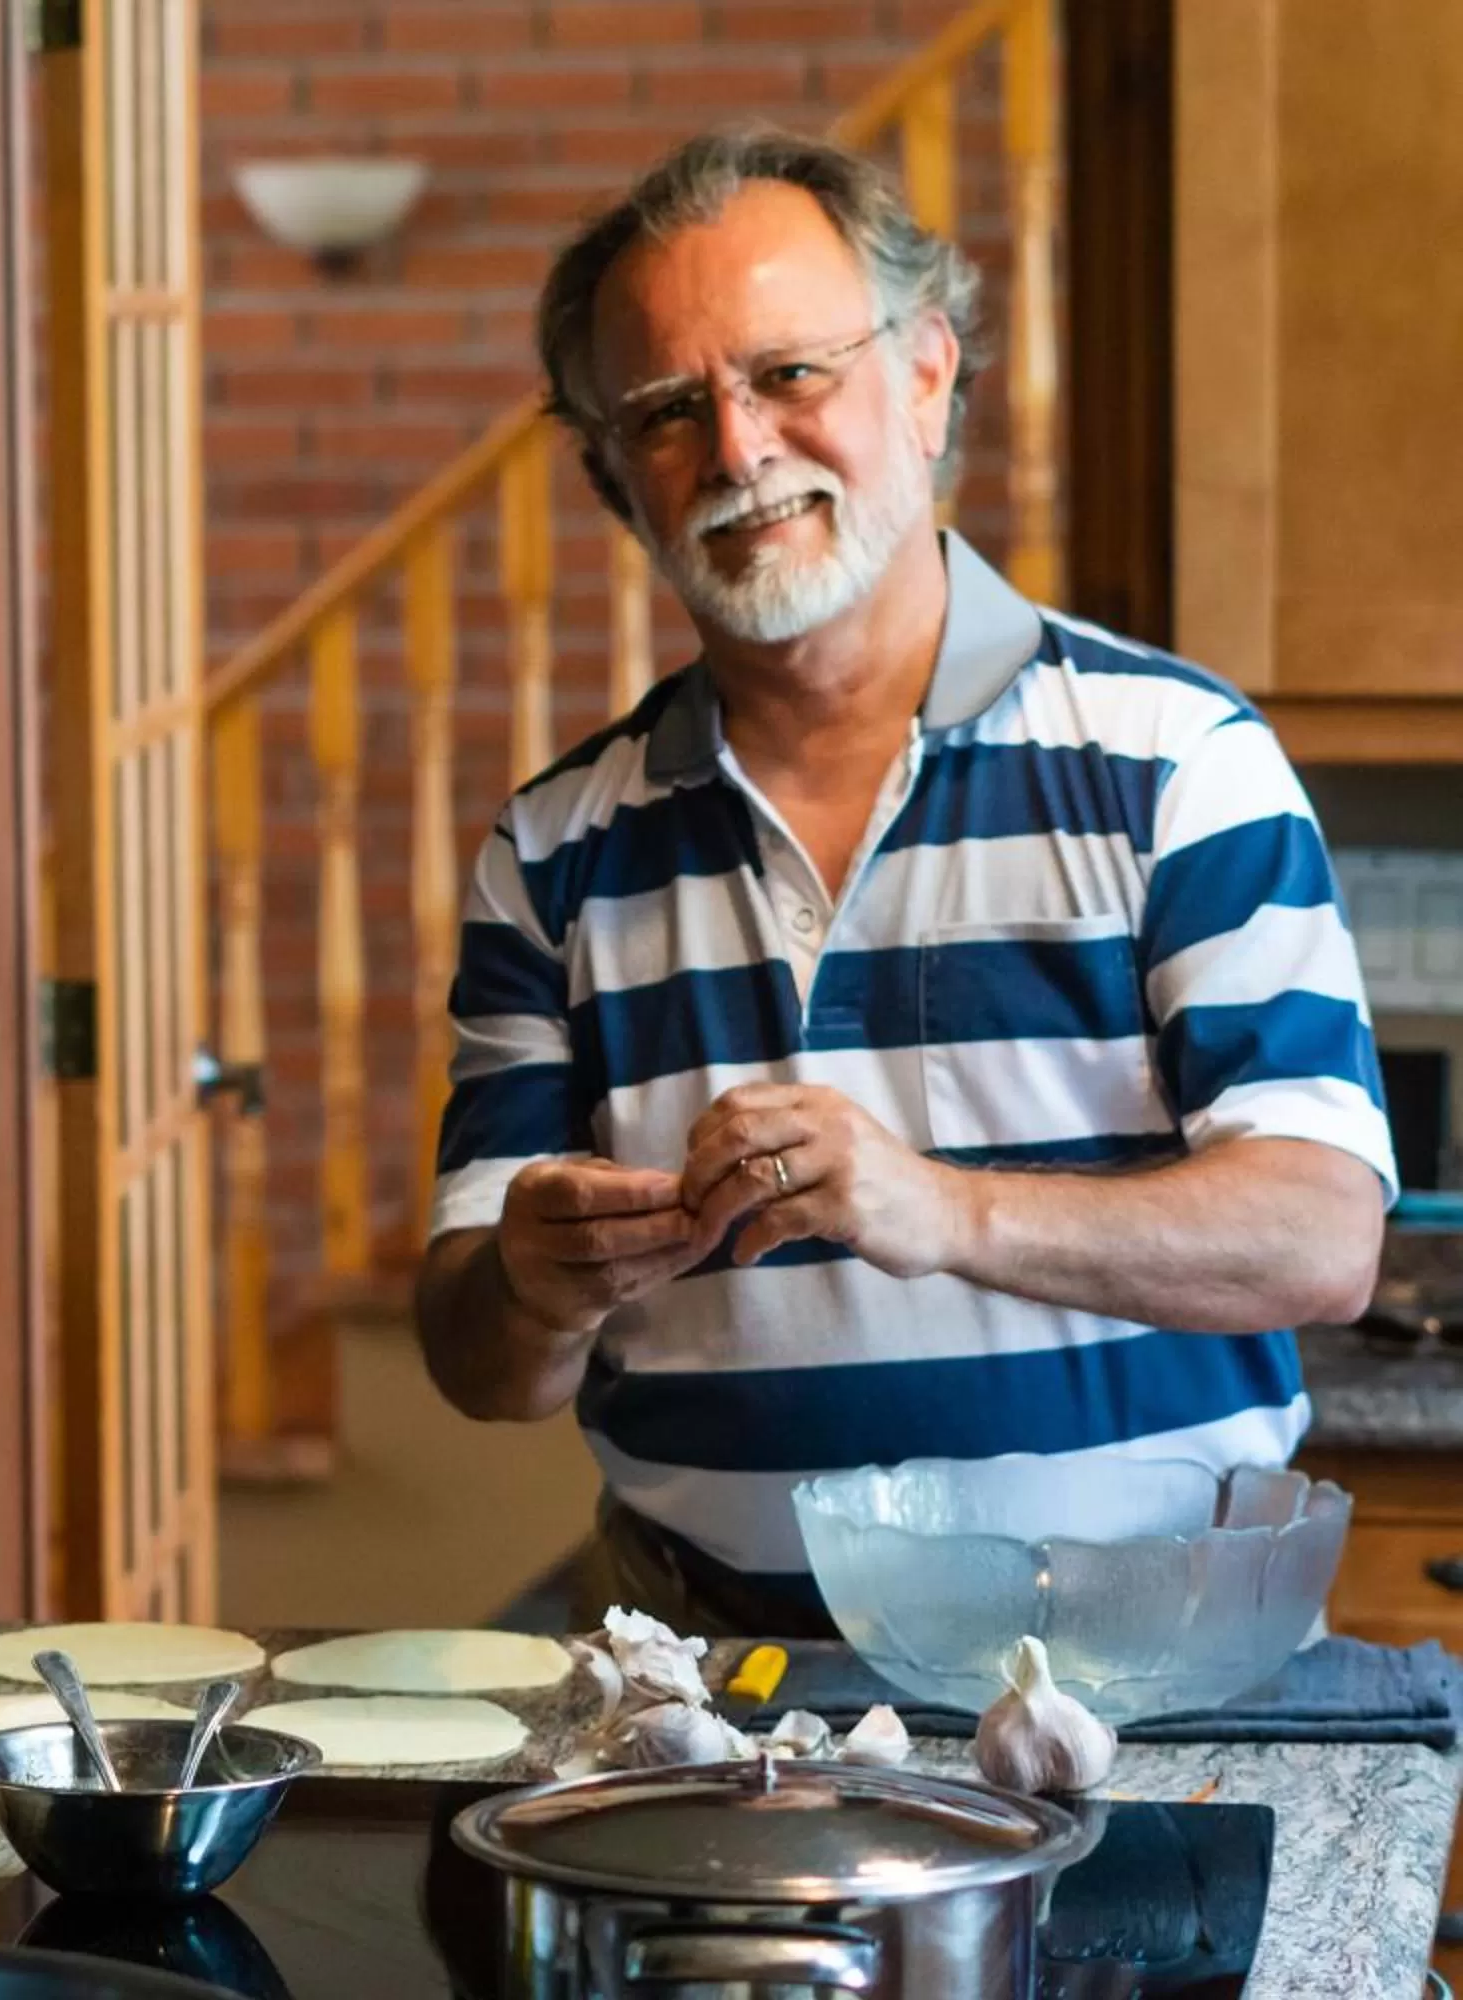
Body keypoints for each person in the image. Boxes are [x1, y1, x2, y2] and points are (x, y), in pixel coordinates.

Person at [412, 130, 1395, 1639]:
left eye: (789, 373)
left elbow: (1322, 1238)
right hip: (718, 1702)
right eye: (668, 411)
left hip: (1146, 1688)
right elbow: (484, 1364)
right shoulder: (551, 853)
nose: (739, 451)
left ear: (928, 374)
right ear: (614, 476)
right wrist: (540, 1289)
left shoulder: (1179, 762)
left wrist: (938, 1210)